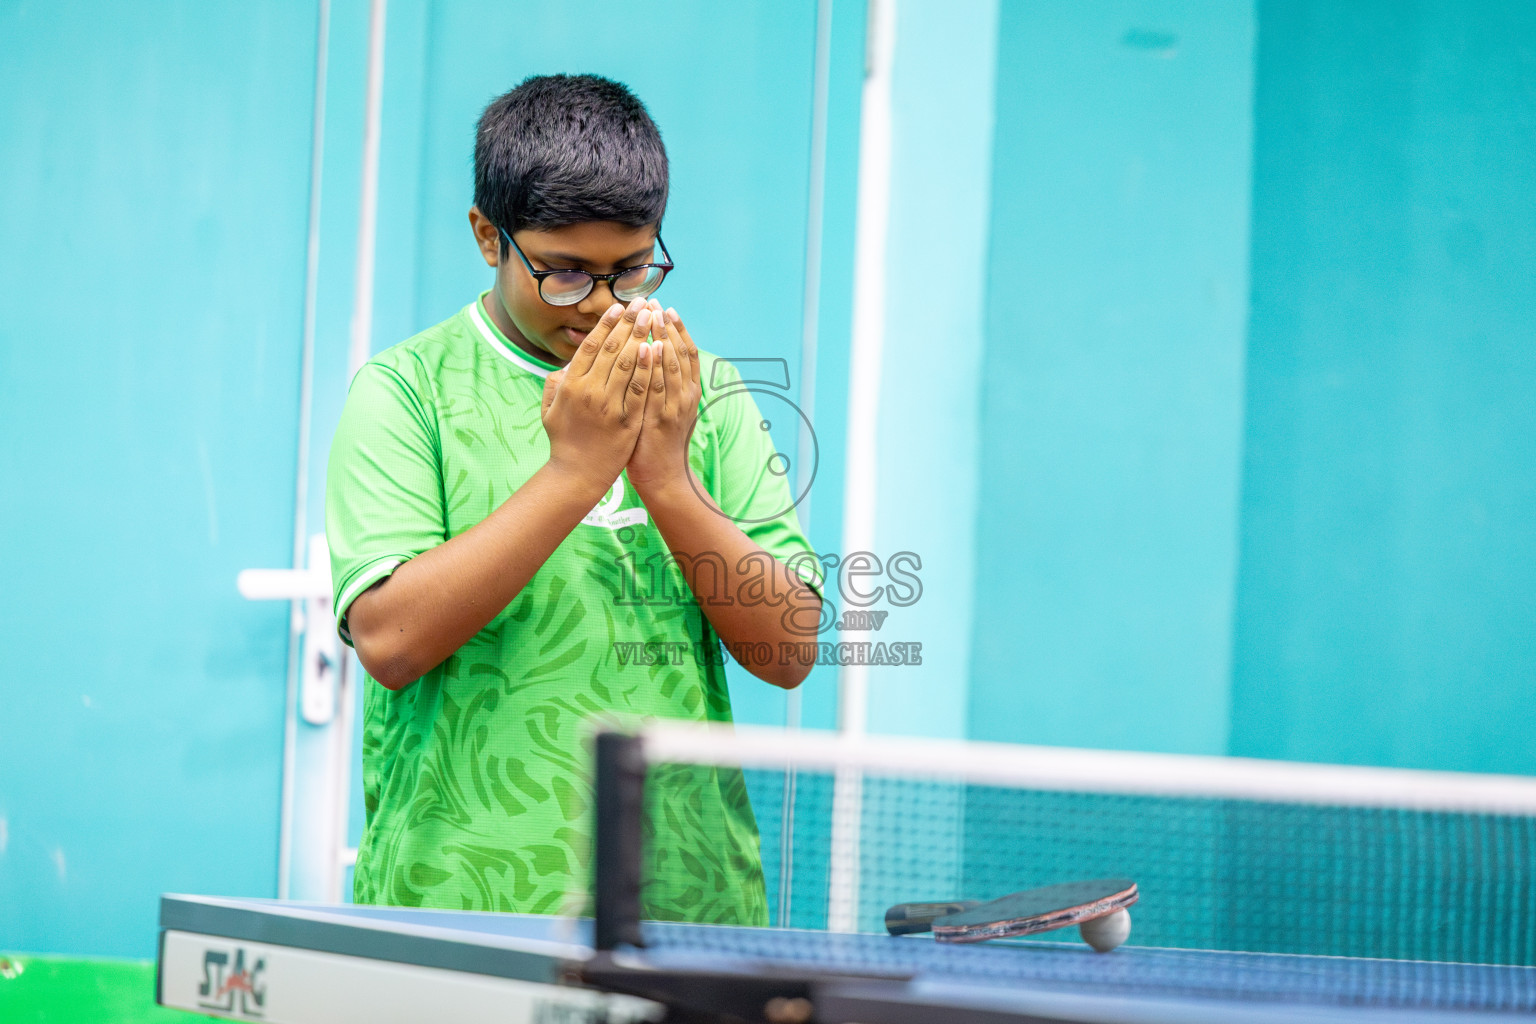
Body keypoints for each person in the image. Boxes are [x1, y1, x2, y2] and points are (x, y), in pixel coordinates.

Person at [325, 74, 823, 924]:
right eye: (563, 274)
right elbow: (390, 640)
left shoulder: (707, 393)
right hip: (456, 905)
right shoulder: (404, 391)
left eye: (631, 270)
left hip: (684, 909)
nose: (599, 304)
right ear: (489, 237)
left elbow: (789, 651)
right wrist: (575, 472)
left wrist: (667, 479)